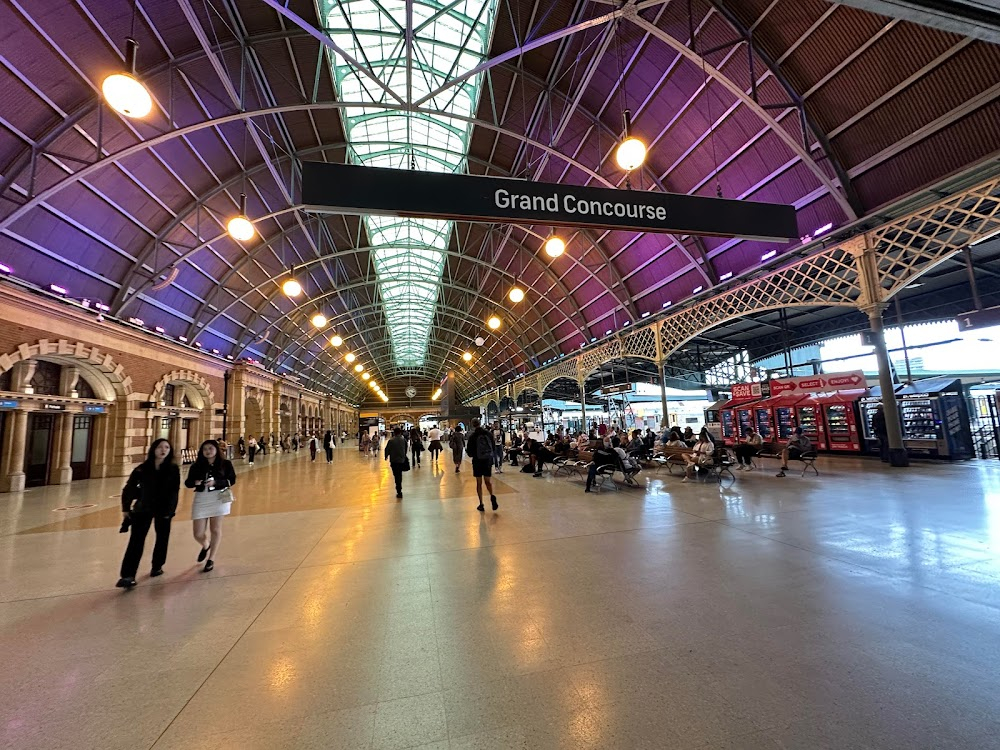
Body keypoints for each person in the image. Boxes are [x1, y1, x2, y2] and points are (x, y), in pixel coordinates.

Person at [116, 438, 181, 589]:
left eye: (166, 447)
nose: (163, 450)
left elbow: (174, 492)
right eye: (160, 447)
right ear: (153, 449)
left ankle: (157, 565)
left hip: (163, 509)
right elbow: (129, 488)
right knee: (136, 540)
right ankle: (128, 575)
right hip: (143, 507)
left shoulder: (172, 469)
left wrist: (170, 511)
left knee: (162, 538)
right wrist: (125, 508)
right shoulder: (142, 469)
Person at [185, 439, 237, 572]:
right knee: (198, 533)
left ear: (216, 450)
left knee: (215, 529)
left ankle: (211, 559)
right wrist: (196, 482)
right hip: (202, 499)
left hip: (219, 498)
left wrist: (216, 483)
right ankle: (205, 544)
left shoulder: (225, 464)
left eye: (210, 448)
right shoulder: (196, 466)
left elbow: (232, 480)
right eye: (205, 449)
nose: (208, 451)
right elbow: (188, 483)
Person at [466, 418, 499, 512]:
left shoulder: (472, 436)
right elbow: (493, 446)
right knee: (487, 481)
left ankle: (481, 503)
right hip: (488, 460)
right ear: (480, 423)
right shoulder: (488, 433)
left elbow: (470, 453)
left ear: (472, 425)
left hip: (477, 461)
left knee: (479, 483)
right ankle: (492, 496)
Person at [384, 427, 408, 499]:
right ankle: (399, 488)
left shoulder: (391, 440)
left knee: (396, 475)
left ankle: (398, 490)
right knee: (399, 475)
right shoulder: (403, 439)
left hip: (394, 460)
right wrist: (404, 455)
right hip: (401, 460)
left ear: (394, 433)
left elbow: (387, 449)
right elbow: (406, 448)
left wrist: (386, 456)